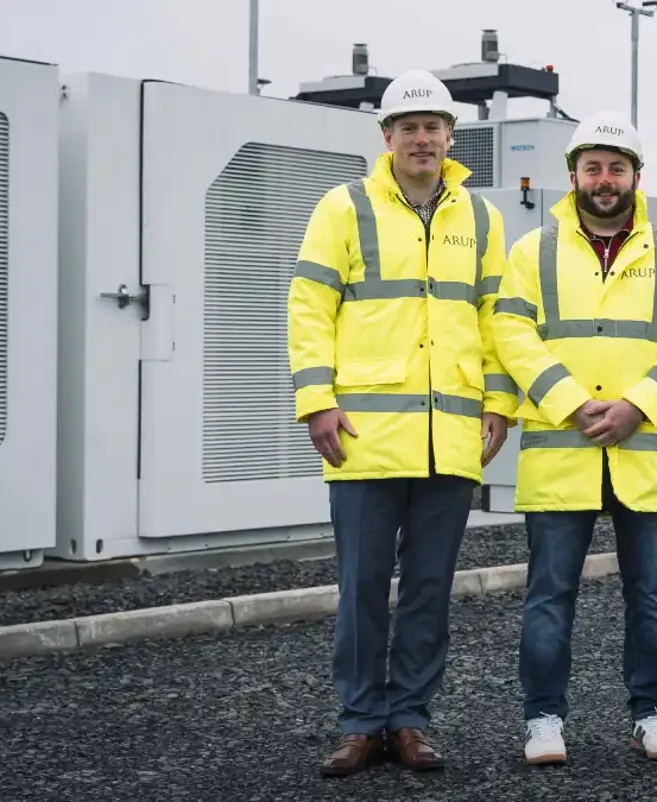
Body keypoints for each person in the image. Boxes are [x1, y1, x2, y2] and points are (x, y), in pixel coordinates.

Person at [286, 68, 516, 777]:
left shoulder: (480, 218)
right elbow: (308, 308)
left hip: (450, 439)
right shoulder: (343, 208)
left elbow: (497, 318)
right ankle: (360, 724)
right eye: (409, 127)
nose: (423, 138)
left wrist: (500, 402)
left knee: (427, 589)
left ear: (452, 136)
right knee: (361, 588)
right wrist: (315, 400)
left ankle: (410, 721)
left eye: (434, 127)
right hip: (363, 438)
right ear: (385, 136)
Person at [492, 111, 657, 765]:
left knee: (651, 594)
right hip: (564, 452)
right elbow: (511, 332)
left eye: (617, 167)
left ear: (637, 177)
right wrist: (570, 403)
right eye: (593, 167)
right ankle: (543, 720)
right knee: (549, 594)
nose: (605, 179)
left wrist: (639, 406)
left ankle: (652, 713)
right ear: (573, 176)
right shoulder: (532, 252)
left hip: (644, 451)